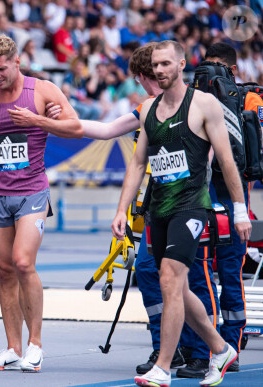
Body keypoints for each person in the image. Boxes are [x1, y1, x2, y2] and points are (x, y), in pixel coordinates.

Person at [111, 40, 250, 387]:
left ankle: (163, 365)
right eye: (155, 65)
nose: (159, 70)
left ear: (181, 64)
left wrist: (239, 210)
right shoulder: (146, 110)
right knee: (175, 285)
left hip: (191, 207)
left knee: (171, 279)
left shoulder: (205, 105)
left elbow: (228, 161)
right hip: (158, 208)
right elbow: (139, 163)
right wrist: (121, 209)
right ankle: (219, 348)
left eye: (166, 64)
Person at [47, 42, 188, 373]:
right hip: (157, 204)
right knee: (155, 273)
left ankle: (198, 349)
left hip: (185, 201)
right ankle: (170, 349)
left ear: (142, 75)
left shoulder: (187, 103)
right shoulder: (147, 109)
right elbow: (107, 131)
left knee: (182, 278)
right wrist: (60, 118)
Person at [0, 35, 83, 372]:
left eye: (1, 69)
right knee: (5, 272)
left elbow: (76, 127)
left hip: (32, 192)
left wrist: (38, 120)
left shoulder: (43, 91)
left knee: (23, 263)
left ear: (17, 62)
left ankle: (35, 344)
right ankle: (12, 346)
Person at [175, 42, 263, 379]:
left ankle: (215, 349)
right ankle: (222, 348)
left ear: (231, 70)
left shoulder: (200, 101)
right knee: (214, 273)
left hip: (220, 200)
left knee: (211, 272)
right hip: (226, 201)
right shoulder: (249, 99)